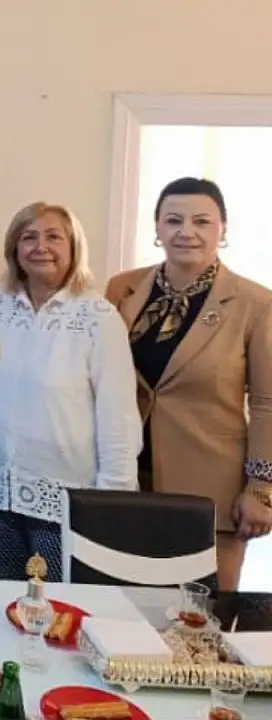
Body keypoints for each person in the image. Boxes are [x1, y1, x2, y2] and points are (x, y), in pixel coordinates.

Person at [0, 202, 141, 580]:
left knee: (58, 605)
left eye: (53, 237)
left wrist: (112, 501)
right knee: (11, 598)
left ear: (73, 247)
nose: (41, 247)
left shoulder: (98, 318)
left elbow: (118, 416)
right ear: (14, 249)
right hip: (0, 492)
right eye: (29, 237)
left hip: (68, 500)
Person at [106, 177, 272, 591]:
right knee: (125, 604)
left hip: (208, 486)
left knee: (200, 612)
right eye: (173, 220)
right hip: (128, 477)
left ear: (223, 230)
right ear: (157, 228)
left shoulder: (255, 303)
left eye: (201, 221)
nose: (186, 231)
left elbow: (267, 403)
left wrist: (261, 489)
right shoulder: (123, 288)